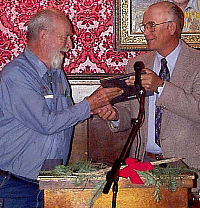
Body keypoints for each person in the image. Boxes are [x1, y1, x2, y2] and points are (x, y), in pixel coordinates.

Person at [0, 8, 123, 208]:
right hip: (16, 187)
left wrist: (94, 109)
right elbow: (47, 123)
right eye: (65, 37)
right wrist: (89, 104)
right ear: (43, 36)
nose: (70, 45)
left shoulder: (57, 74)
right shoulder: (16, 75)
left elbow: (63, 116)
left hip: (48, 184)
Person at [97, 1, 200, 188]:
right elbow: (130, 111)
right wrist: (115, 115)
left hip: (188, 170)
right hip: (142, 167)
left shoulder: (197, 63)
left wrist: (160, 87)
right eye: (144, 26)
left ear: (171, 27)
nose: (145, 32)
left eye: (151, 25)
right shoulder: (137, 64)